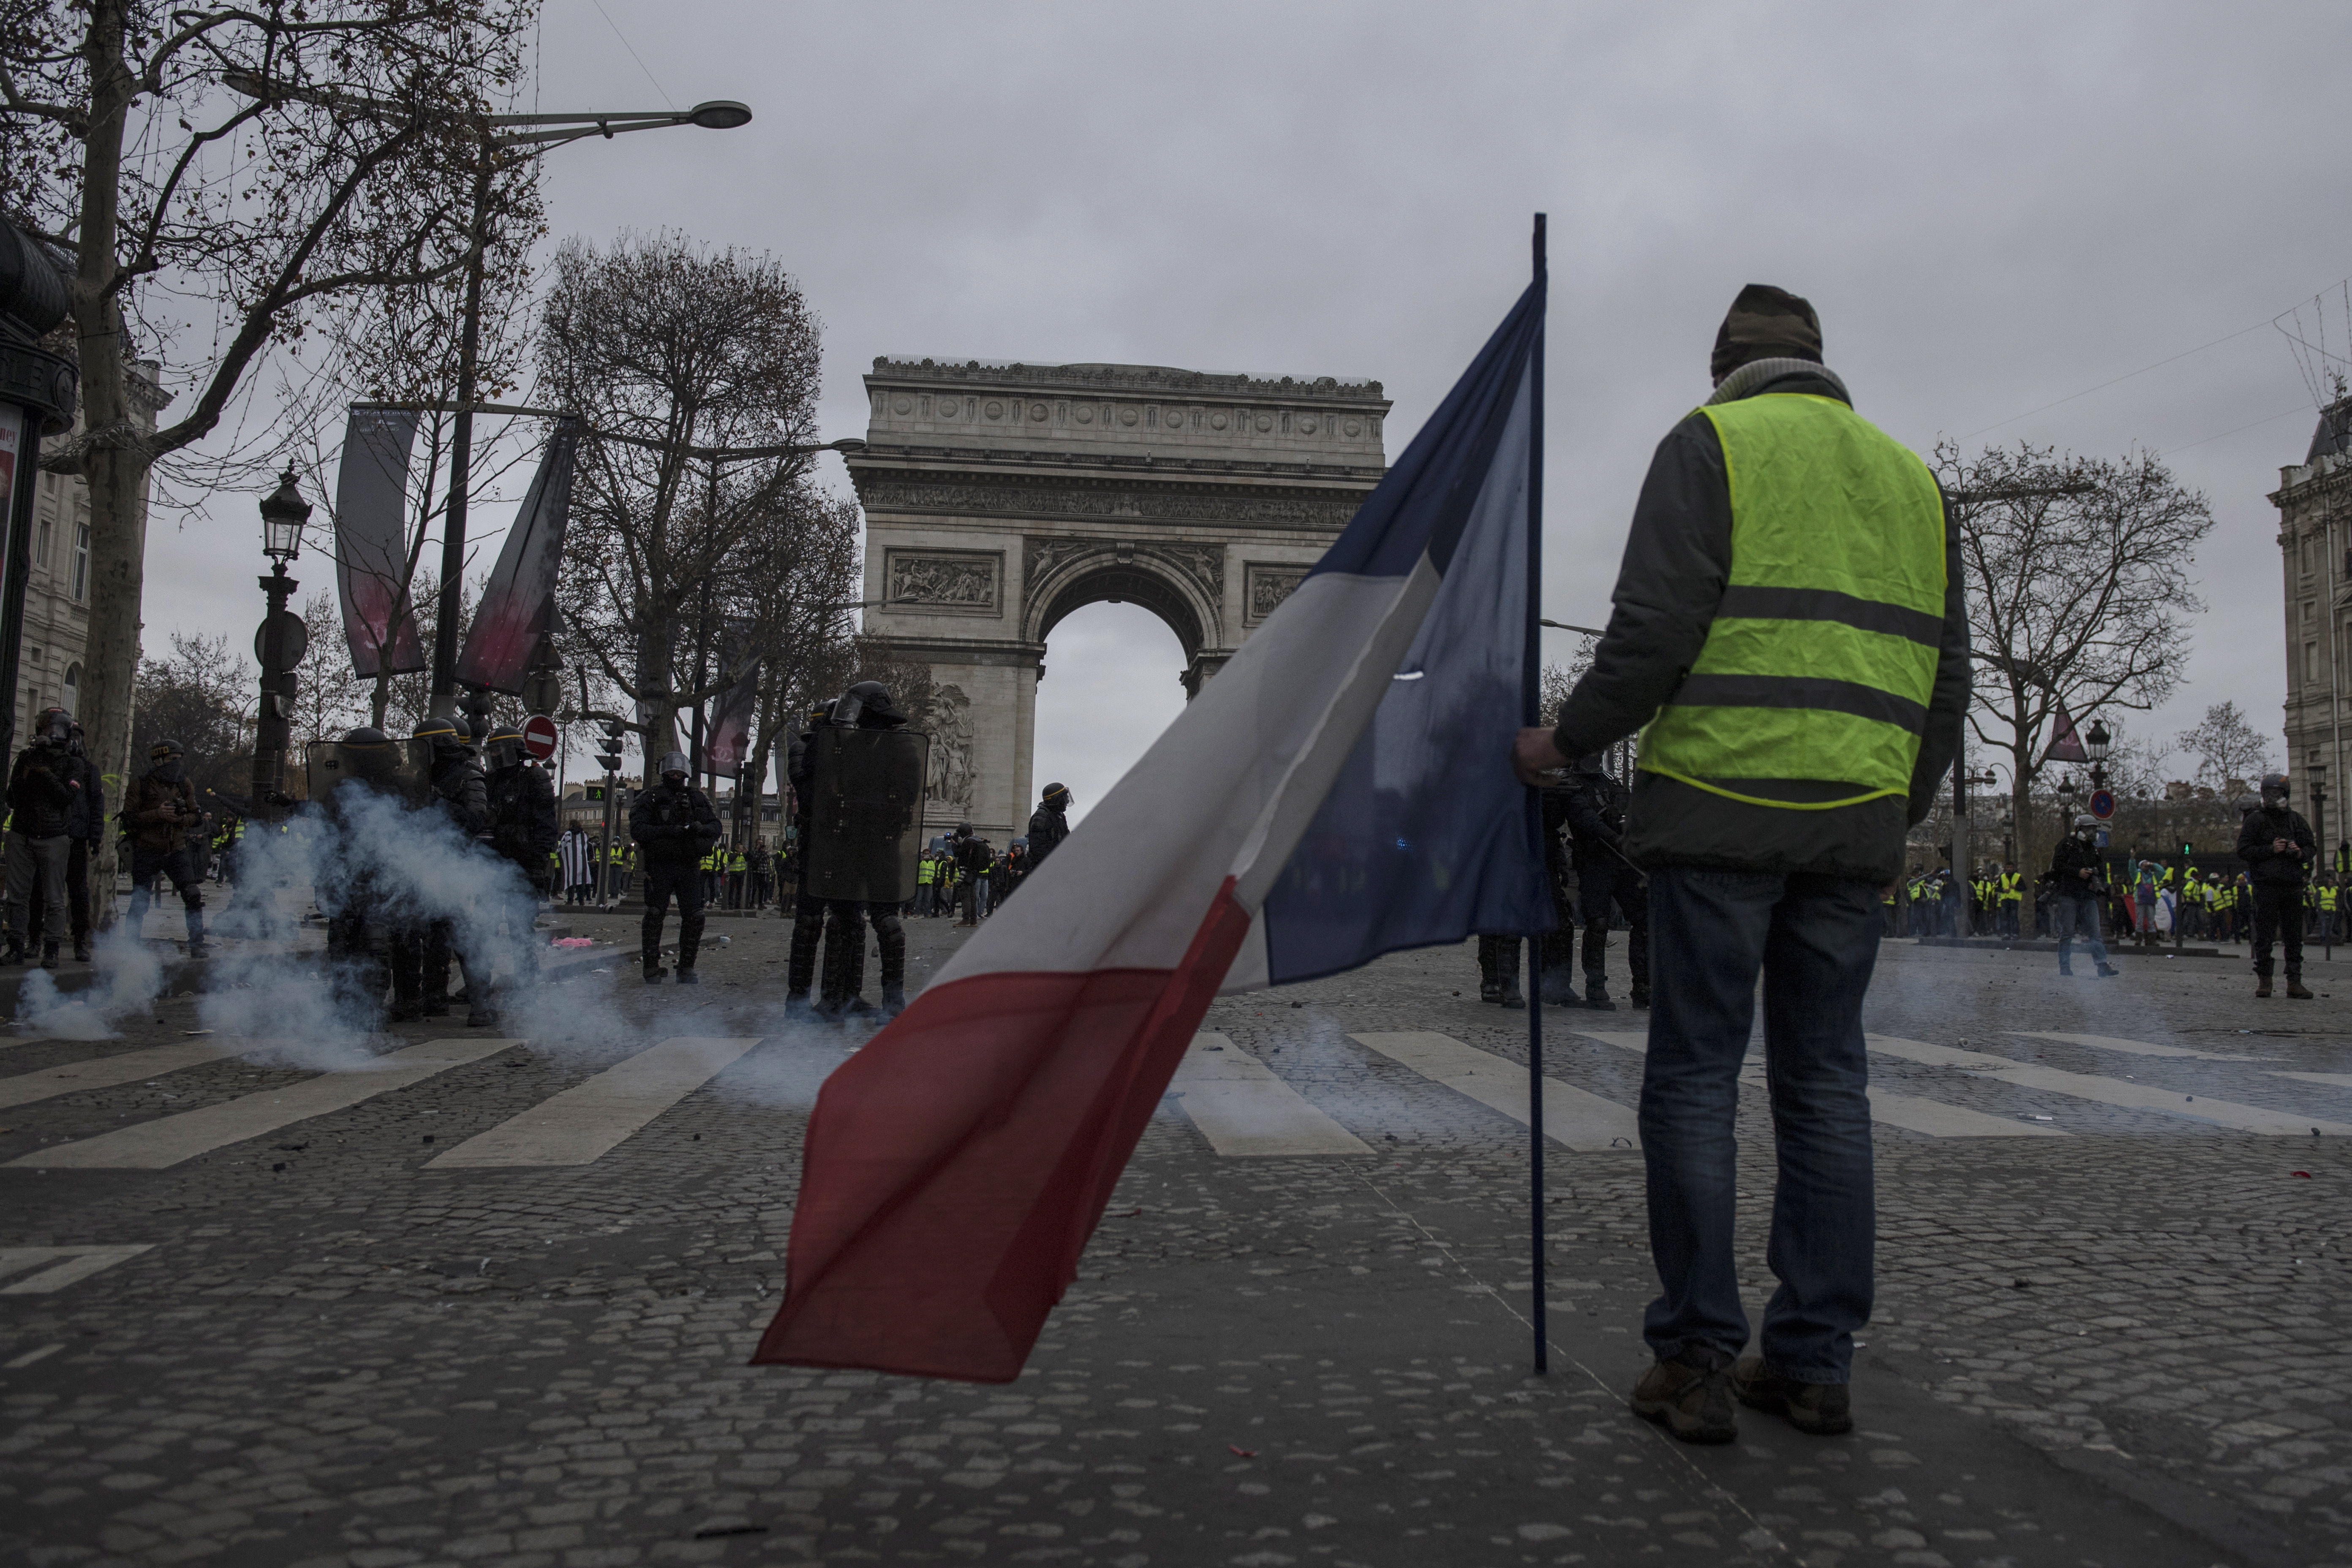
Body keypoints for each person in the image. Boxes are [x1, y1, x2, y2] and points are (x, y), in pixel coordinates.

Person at [1511, 284, 1968, 1443]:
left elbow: (1654, 630)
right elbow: (1947, 684)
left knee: (1698, 1081)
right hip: (1853, 826)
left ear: (1726, 367)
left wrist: (1566, 743)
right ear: (1824, 366)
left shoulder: (1708, 442)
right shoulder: (1914, 480)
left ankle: (1700, 1357)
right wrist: (1889, 815)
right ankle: (1814, 1363)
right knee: (1828, 1089)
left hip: (1718, 810)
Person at [408, 716, 491, 1023]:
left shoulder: (468, 776)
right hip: (423, 864)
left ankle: (482, 1004)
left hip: (457, 864)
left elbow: (476, 821)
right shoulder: (419, 777)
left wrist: (438, 802)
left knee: (463, 937)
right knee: (425, 935)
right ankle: (428, 1002)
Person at [1564, 752, 1650, 1010]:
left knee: (1645, 920)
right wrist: (1615, 837)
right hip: (1594, 860)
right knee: (1598, 923)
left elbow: (1630, 809)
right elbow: (1585, 819)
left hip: (1623, 861)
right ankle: (1596, 986)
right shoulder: (1569, 783)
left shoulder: (1610, 782)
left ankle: (1643, 985)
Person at [631, 751, 721, 984]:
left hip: (689, 864)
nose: (676, 775)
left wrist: (699, 831)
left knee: (695, 916)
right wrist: (669, 833)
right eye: (671, 771)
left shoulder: (697, 798)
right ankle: (651, 966)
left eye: (679, 772)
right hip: (660, 864)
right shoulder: (650, 798)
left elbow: (715, 826)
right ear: (663, 772)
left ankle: (687, 967)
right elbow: (638, 829)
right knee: (655, 914)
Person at [5, 708, 85, 966]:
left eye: (56, 729)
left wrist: (45, 773)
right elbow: (13, 798)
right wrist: (29, 768)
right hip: (22, 833)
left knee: (54, 898)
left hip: (53, 837)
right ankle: (16, 946)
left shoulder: (73, 763)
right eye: (46, 729)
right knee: (17, 896)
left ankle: (51, 949)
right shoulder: (27, 758)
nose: (51, 734)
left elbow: (65, 798)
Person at [125, 735, 211, 961]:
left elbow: (196, 818)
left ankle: (197, 944)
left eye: (179, 759)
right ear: (159, 760)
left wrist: (180, 818)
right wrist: (157, 814)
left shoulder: (184, 785)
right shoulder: (140, 784)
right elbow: (129, 819)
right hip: (147, 849)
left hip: (177, 849)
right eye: (173, 759)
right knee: (140, 900)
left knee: (192, 894)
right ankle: (129, 946)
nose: (177, 764)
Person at [2238, 772, 2316, 999]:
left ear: (2286, 794)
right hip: (2266, 885)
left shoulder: (2296, 820)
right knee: (2265, 934)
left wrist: (2300, 853)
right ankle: (2265, 980)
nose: (2273, 798)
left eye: (2277, 793)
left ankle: (2294, 981)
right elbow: (2243, 850)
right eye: (2269, 794)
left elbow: (2311, 847)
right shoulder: (2256, 819)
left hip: (2292, 883)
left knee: (2294, 936)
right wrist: (2271, 850)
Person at [2047, 814, 2121, 978]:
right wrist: (2077, 872)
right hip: (2068, 893)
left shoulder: (2093, 849)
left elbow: (2100, 869)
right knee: (2067, 933)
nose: (2092, 832)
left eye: (2094, 829)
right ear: (2079, 829)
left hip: (2088, 894)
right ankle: (2065, 967)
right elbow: (2057, 866)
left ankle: (2102, 965)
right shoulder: (2066, 844)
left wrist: (2095, 877)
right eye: (2088, 828)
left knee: (2095, 933)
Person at [1027, 783, 1073, 873]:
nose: (1067, 801)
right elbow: (1038, 849)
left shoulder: (1059, 815)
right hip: (1047, 869)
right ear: (1058, 799)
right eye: (1065, 797)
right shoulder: (1042, 816)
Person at [558, 824, 594, 906]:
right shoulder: (584, 835)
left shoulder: (568, 834)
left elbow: (561, 846)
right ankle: (581, 901)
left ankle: (570, 900)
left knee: (571, 881)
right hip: (582, 861)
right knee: (581, 883)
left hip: (571, 862)